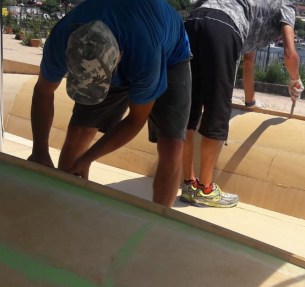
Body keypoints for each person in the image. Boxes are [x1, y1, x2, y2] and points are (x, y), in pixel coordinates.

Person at [28, 0, 192, 207]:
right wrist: (40, 150)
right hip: (130, 36)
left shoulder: (145, 53)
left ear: (118, 58)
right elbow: (43, 91)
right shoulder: (62, 37)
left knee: (171, 145)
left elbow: (136, 120)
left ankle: (159, 217)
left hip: (170, 54)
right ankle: (63, 204)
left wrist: (88, 158)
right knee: (79, 131)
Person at [182, 0, 302, 208]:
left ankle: (188, 183)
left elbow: (248, 60)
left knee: (188, 107)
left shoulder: (253, 7)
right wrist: (295, 79)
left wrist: (250, 101)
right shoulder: (286, 5)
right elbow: (290, 53)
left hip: (193, 21)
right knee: (217, 110)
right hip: (223, 27)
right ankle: (206, 190)